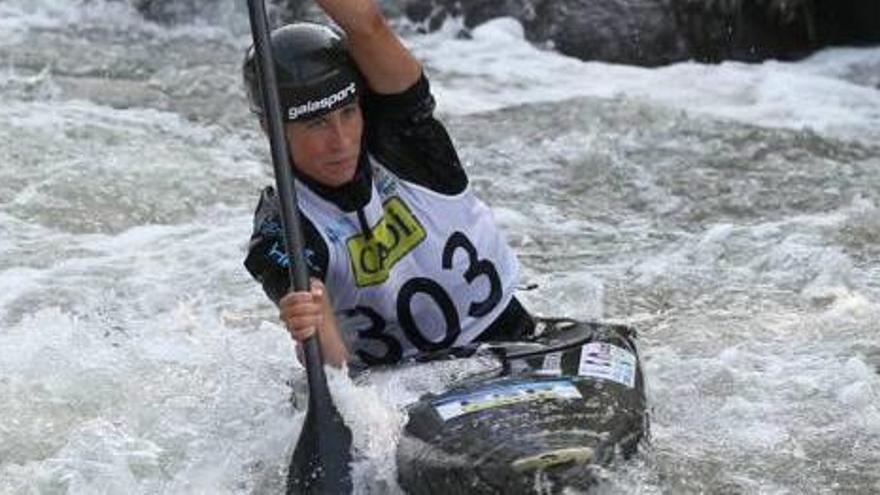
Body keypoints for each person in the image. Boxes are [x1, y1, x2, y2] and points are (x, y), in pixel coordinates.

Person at [243, 0, 534, 369]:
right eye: (316, 124)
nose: (341, 141)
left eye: (348, 113)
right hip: (401, 392)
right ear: (271, 130)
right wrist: (309, 327)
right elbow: (333, 362)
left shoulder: (406, 139)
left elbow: (368, 25)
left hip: (513, 341)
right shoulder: (283, 225)